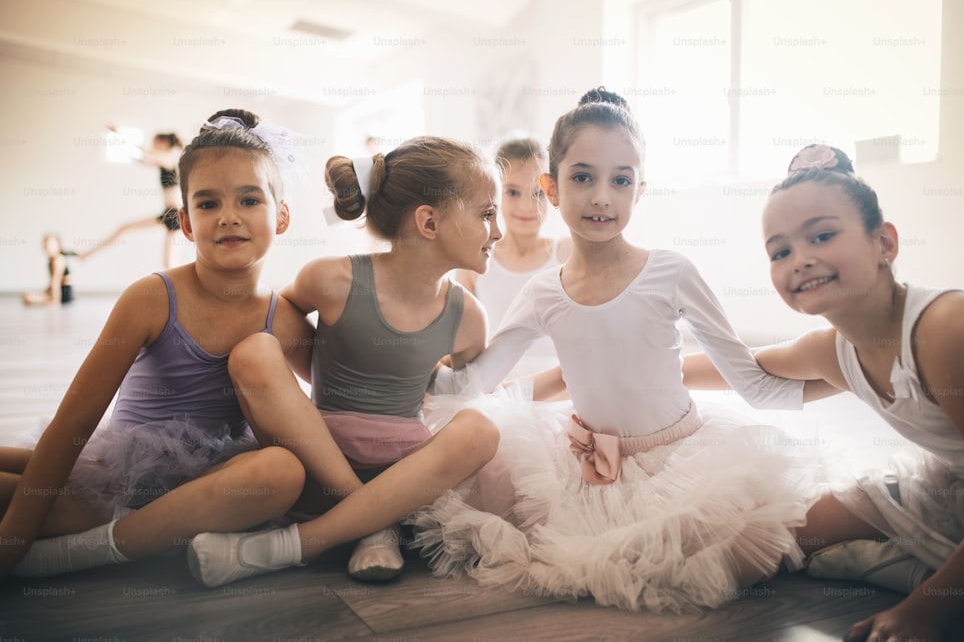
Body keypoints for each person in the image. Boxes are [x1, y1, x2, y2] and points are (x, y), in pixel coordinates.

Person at [411, 88, 831, 613]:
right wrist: (405, 370)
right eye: (583, 177)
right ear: (552, 189)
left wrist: (855, 375)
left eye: (621, 180)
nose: (602, 197)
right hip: (583, 468)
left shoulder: (671, 272)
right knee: (537, 529)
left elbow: (753, 384)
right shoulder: (543, 292)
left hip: (681, 459)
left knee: (743, 547)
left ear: (640, 190)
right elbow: (476, 384)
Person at [685, 143, 964, 640]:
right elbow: (747, 370)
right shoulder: (832, 349)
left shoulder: (949, 331)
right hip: (960, 485)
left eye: (823, 235)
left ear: (885, 243)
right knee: (774, 539)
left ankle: (927, 579)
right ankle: (914, 564)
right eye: (781, 251)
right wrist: (652, 373)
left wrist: (925, 611)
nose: (801, 260)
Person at [0, 108, 313, 578]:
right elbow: (75, 420)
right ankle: (140, 530)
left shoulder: (282, 317)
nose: (228, 217)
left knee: (282, 472)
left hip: (211, 481)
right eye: (208, 205)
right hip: (117, 476)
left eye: (249, 200)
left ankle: (94, 543)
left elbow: (337, 396)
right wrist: (15, 539)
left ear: (282, 216)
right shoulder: (151, 297)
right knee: (38, 483)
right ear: (185, 223)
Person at [185, 136, 503, 587]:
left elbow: (455, 391)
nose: (499, 230)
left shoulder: (469, 317)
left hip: (403, 482)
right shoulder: (331, 279)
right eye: (487, 214)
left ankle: (298, 545)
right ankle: (371, 524)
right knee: (254, 349)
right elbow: (283, 342)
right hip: (321, 466)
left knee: (481, 430)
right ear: (429, 222)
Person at [454, 138, 570, 379]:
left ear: (552, 191)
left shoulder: (568, 254)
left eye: (538, 193)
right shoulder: (475, 261)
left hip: (559, 383)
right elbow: (461, 343)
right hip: (496, 384)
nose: (527, 205)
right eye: (513, 192)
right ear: (495, 193)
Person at [79, 128, 186, 269]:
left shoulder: (166, 158)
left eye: (155, 143)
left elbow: (145, 152)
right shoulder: (161, 160)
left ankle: (183, 290)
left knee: (169, 264)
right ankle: (88, 254)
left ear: (164, 144)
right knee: (125, 227)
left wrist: (119, 134)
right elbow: (142, 160)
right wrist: (122, 148)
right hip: (167, 213)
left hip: (174, 215)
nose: (152, 146)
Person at [22, 234, 76, 306]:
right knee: (27, 296)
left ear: (58, 246)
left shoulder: (57, 260)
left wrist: (54, 299)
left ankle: (51, 300)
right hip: (59, 293)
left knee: (27, 298)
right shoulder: (53, 260)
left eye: (50, 243)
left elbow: (55, 282)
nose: (47, 246)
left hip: (61, 296)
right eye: (45, 243)